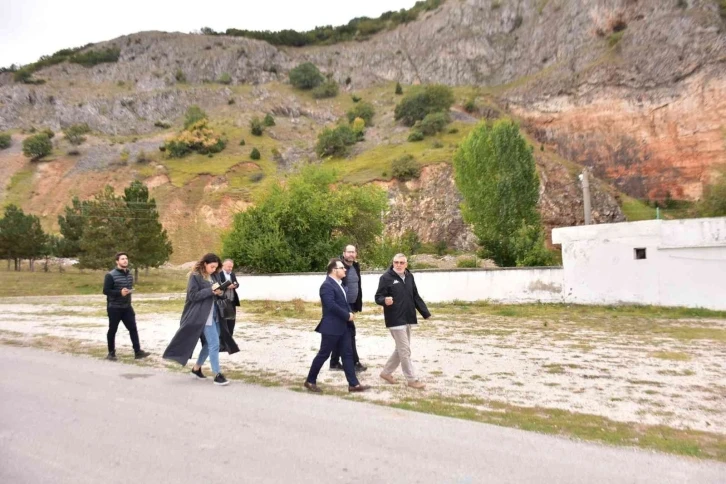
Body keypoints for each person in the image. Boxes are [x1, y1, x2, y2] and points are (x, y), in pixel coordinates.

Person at [162, 253, 239, 386]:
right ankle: (217, 374)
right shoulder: (195, 276)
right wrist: (210, 291)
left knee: (210, 344)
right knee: (214, 343)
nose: (214, 270)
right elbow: (192, 296)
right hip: (202, 315)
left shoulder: (214, 275)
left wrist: (220, 292)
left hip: (215, 314)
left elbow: (217, 292)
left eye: (216, 267)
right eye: (212, 267)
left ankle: (196, 369)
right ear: (205, 264)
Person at [304, 259, 371, 394]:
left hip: (344, 326)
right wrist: (347, 315)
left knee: (347, 354)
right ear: (334, 270)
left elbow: (343, 303)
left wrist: (349, 313)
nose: (345, 269)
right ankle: (310, 381)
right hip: (332, 326)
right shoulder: (326, 285)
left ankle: (354, 384)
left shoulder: (340, 284)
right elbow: (330, 305)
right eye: (342, 268)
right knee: (324, 354)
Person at [374, 253, 430, 389]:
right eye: (396, 262)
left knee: (401, 350)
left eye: (401, 262)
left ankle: (386, 373)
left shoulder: (410, 277)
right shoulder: (386, 278)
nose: (398, 265)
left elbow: (415, 296)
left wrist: (425, 313)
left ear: (406, 264)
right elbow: (378, 297)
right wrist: (384, 301)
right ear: (393, 263)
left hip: (408, 317)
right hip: (394, 319)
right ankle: (412, 380)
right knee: (405, 350)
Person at [103, 252, 150, 361]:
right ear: (117, 261)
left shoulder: (129, 274)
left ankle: (138, 352)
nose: (125, 260)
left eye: (126, 259)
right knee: (113, 329)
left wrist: (128, 292)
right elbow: (106, 291)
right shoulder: (110, 275)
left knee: (133, 328)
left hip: (127, 307)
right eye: (122, 259)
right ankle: (111, 353)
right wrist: (120, 293)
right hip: (114, 307)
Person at [330, 244, 367, 372]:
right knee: (350, 333)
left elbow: (357, 285)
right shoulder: (338, 266)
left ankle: (334, 363)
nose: (351, 254)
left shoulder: (355, 266)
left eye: (353, 252)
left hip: (351, 305)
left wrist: (357, 304)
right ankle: (354, 362)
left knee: (340, 333)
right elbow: (332, 285)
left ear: (356, 254)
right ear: (344, 253)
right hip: (342, 306)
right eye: (349, 252)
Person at [219, 259, 240, 335]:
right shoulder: (218, 274)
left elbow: (236, 283)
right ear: (223, 265)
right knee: (224, 322)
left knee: (232, 323)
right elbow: (217, 287)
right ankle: (224, 343)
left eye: (231, 267)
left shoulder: (232, 274)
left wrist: (235, 285)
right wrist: (227, 286)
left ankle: (230, 341)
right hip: (223, 301)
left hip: (232, 301)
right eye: (229, 267)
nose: (230, 268)